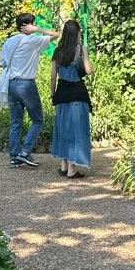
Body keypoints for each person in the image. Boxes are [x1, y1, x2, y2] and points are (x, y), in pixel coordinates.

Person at [0, 13, 59, 169]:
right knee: (38, 120)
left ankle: (14, 158)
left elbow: (2, 63)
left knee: (15, 122)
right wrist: (38, 29)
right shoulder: (33, 40)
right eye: (33, 24)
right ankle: (24, 152)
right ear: (28, 25)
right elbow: (56, 35)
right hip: (26, 84)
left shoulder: (9, 41)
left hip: (11, 84)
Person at [50, 19, 93, 178]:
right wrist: (90, 67)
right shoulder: (81, 49)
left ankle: (63, 165)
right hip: (77, 94)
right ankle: (71, 169)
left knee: (62, 128)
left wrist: (53, 93)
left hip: (61, 94)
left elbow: (53, 77)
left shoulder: (57, 51)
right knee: (76, 130)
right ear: (77, 33)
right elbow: (88, 71)